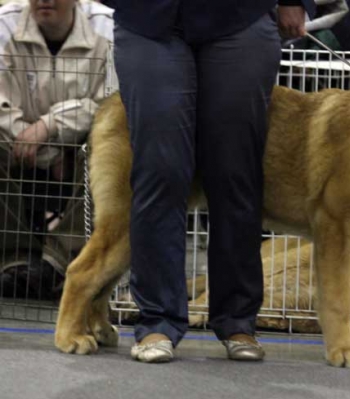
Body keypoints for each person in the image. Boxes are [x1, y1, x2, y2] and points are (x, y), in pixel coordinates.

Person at [112, 0, 315, 363]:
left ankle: (238, 319)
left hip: (241, 16)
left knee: (237, 170)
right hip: (147, 18)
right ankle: (158, 319)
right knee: (160, 168)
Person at [0, 0, 116, 297]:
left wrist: (51, 127)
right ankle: (15, 261)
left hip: (78, 146)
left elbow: (111, 103)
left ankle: (59, 263)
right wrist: (44, 148)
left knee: (106, 150)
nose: (44, 1)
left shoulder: (106, 27)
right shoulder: (5, 24)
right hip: (17, 144)